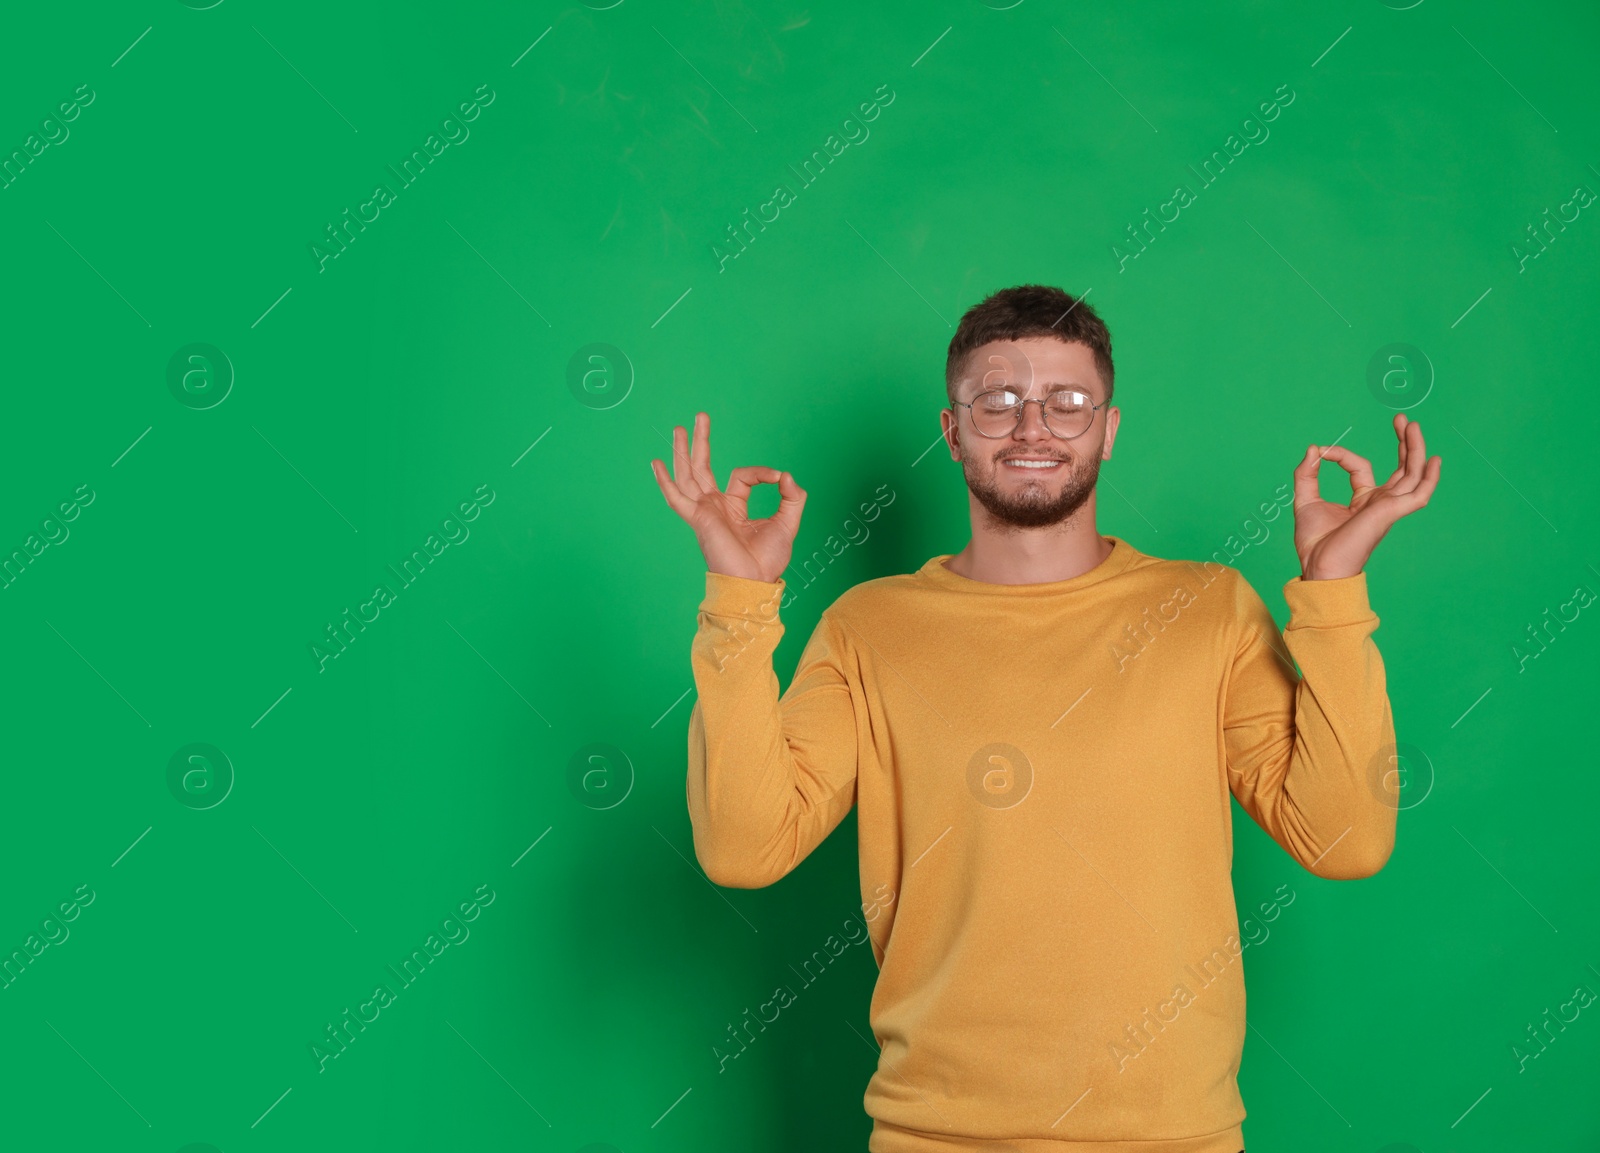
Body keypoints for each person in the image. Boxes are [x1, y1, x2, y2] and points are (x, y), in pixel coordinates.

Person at [650, 284, 1440, 1153]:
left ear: (1108, 428)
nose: (1034, 428)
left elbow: (1346, 839)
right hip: (933, 1136)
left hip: (1172, 1137)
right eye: (998, 403)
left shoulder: (1208, 609)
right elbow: (742, 846)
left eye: (1066, 403)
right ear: (952, 432)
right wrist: (738, 599)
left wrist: (1332, 593)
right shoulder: (869, 627)